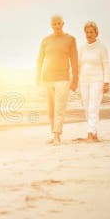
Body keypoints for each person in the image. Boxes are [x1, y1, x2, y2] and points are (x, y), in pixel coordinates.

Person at [36, 15, 79, 145]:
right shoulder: (45, 40)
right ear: (51, 25)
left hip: (63, 79)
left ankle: (57, 135)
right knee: (51, 109)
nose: (57, 26)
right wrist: (38, 76)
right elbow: (40, 60)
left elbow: (74, 61)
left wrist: (75, 79)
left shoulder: (70, 39)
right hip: (47, 78)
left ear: (63, 23)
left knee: (59, 108)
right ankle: (54, 133)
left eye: (59, 23)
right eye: (54, 24)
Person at [78, 21, 110, 142]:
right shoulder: (82, 48)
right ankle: (93, 132)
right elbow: (78, 65)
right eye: (87, 32)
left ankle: (90, 133)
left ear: (96, 33)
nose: (89, 34)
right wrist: (75, 79)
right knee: (86, 107)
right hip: (84, 81)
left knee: (93, 107)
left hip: (97, 80)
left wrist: (106, 82)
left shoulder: (102, 47)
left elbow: (106, 64)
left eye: (91, 32)